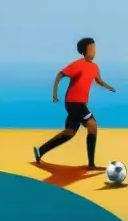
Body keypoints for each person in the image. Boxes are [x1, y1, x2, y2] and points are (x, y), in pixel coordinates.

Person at [34, 37, 115, 170]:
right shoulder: (78, 64)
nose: (94, 52)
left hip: (78, 103)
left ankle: (40, 151)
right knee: (92, 126)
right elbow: (60, 75)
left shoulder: (95, 67)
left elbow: (98, 80)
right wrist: (55, 94)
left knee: (69, 133)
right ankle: (91, 165)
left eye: (95, 49)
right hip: (74, 102)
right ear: (84, 52)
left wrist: (107, 86)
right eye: (91, 49)